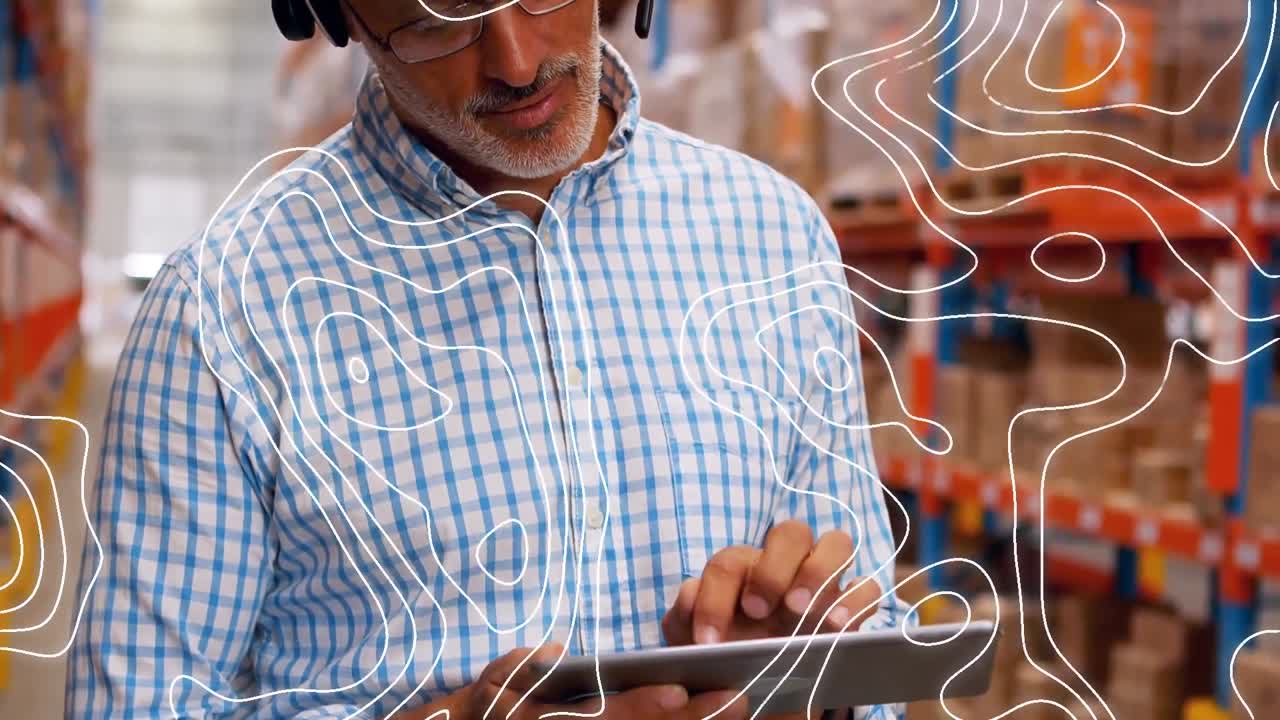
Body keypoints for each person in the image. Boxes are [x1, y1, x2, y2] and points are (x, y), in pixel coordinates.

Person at [66, 1, 908, 718]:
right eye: (437, 19)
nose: (515, 59)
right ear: (339, 15)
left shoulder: (773, 235)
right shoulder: (219, 310)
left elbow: (877, 663)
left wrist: (807, 673)